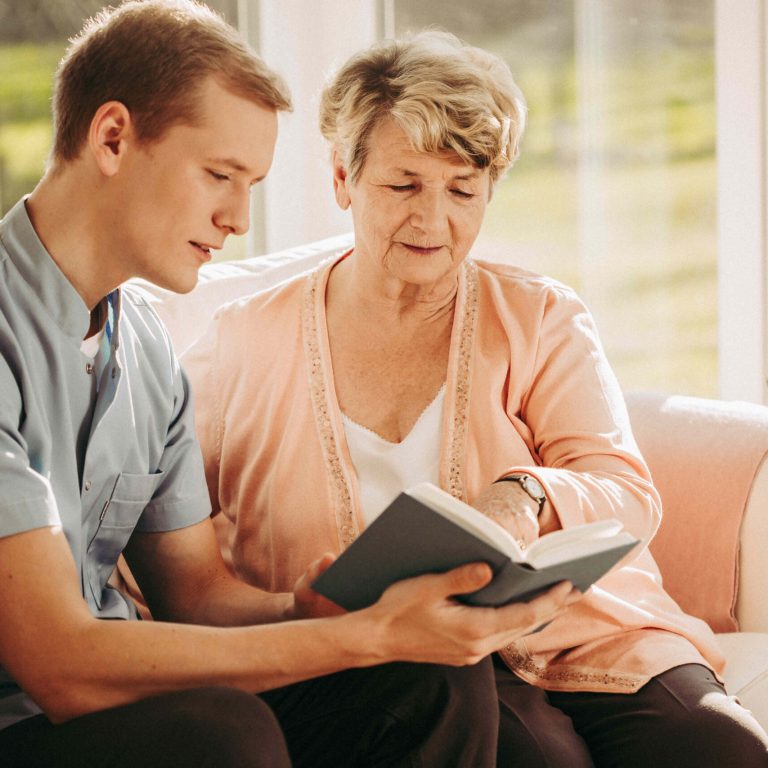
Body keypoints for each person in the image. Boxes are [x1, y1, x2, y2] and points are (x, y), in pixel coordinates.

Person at [0, 6, 582, 767]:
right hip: (31, 717)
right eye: (219, 176)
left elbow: (200, 599)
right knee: (222, 735)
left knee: (430, 682)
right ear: (112, 138)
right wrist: (358, 637)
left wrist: (309, 609)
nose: (240, 218)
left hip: (120, 701)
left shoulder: (142, 348)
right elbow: (61, 667)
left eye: (253, 185)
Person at [182, 30, 768, 767]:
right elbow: (171, 531)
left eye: (462, 190)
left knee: (724, 748)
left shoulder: (539, 317)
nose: (433, 221)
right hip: (403, 660)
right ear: (342, 176)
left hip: (586, 631)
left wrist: (524, 493)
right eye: (404, 185)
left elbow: (625, 490)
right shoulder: (239, 342)